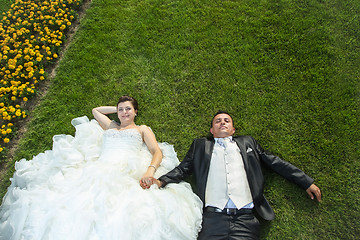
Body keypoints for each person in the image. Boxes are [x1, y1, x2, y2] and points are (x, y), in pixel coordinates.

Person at [0, 96, 202, 240]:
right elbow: (95, 111)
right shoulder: (111, 126)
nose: (124, 112)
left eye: (128, 109)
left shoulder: (142, 129)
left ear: (136, 112)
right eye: (121, 109)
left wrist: (150, 170)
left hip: (126, 170)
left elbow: (157, 152)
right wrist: (117, 109)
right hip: (100, 167)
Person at [144, 110, 321, 240]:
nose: (222, 122)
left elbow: (274, 162)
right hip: (212, 219)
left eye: (226, 120)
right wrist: (160, 181)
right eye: (217, 121)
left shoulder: (247, 142)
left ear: (233, 129)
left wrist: (305, 182)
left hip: (245, 218)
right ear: (212, 130)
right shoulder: (200, 145)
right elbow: (183, 169)